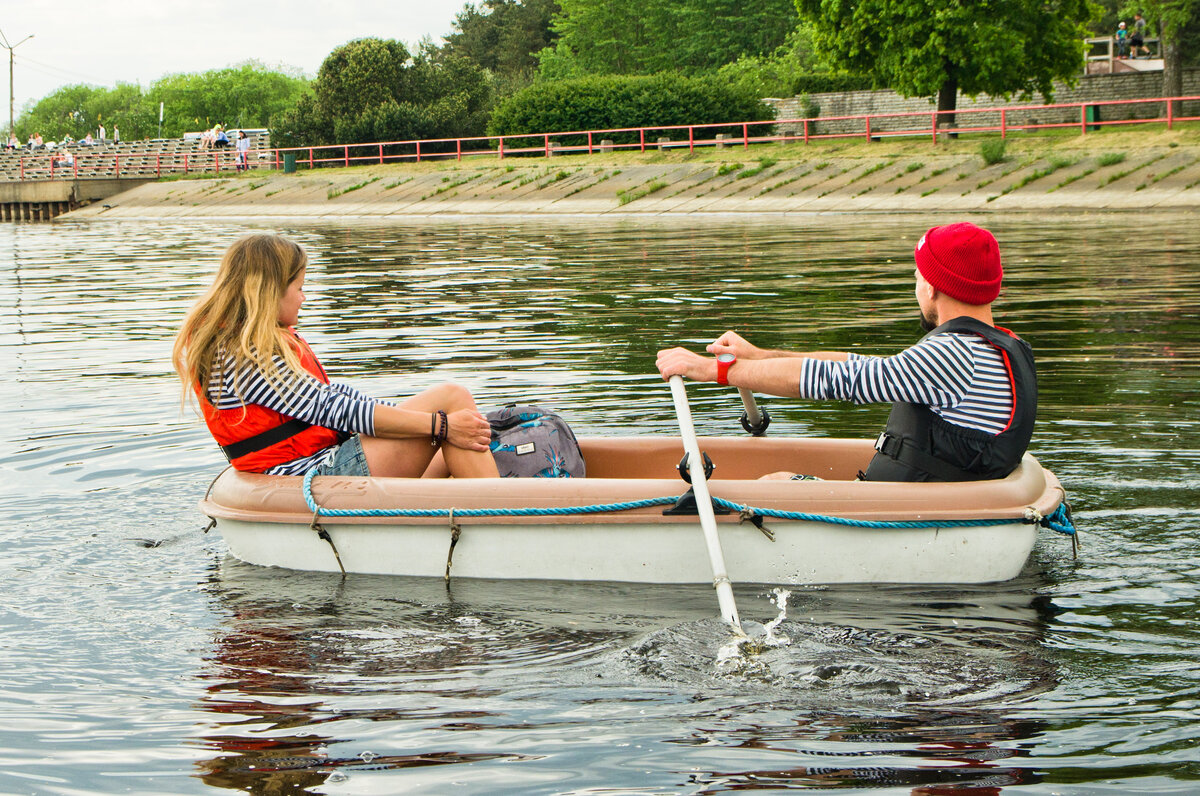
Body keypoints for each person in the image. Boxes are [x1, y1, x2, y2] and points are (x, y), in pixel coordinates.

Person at [656, 222, 1037, 483]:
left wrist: (713, 369)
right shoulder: (999, 347)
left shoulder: (952, 355)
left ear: (934, 288)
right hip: (925, 497)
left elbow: (834, 380)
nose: (916, 286)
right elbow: (864, 367)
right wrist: (757, 357)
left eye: (918, 277)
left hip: (907, 514)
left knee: (775, 484)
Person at [173, 234, 499, 479]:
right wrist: (439, 423)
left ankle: (487, 512)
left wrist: (425, 423)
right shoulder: (245, 354)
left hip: (318, 461)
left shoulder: (244, 342)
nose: (304, 297)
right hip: (308, 475)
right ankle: (504, 521)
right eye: (298, 287)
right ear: (269, 291)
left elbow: (334, 396)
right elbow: (333, 410)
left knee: (456, 431)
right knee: (451, 400)